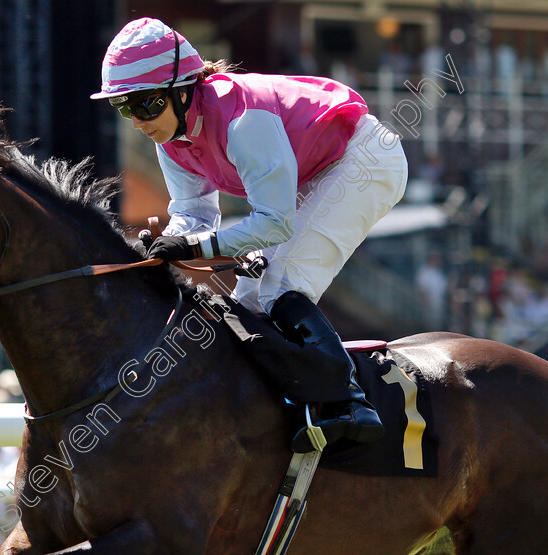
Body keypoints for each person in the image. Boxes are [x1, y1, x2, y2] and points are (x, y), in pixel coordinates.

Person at [92, 18, 408, 452]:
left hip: (364, 160)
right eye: (125, 108)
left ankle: (348, 402)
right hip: (310, 174)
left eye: (145, 105)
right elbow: (193, 216)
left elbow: (274, 222)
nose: (137, 122)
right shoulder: (172, 139)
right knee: (246, 304)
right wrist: (166, 243)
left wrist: (194, 246)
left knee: (281, 283)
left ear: (182, 89)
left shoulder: (244, 120)